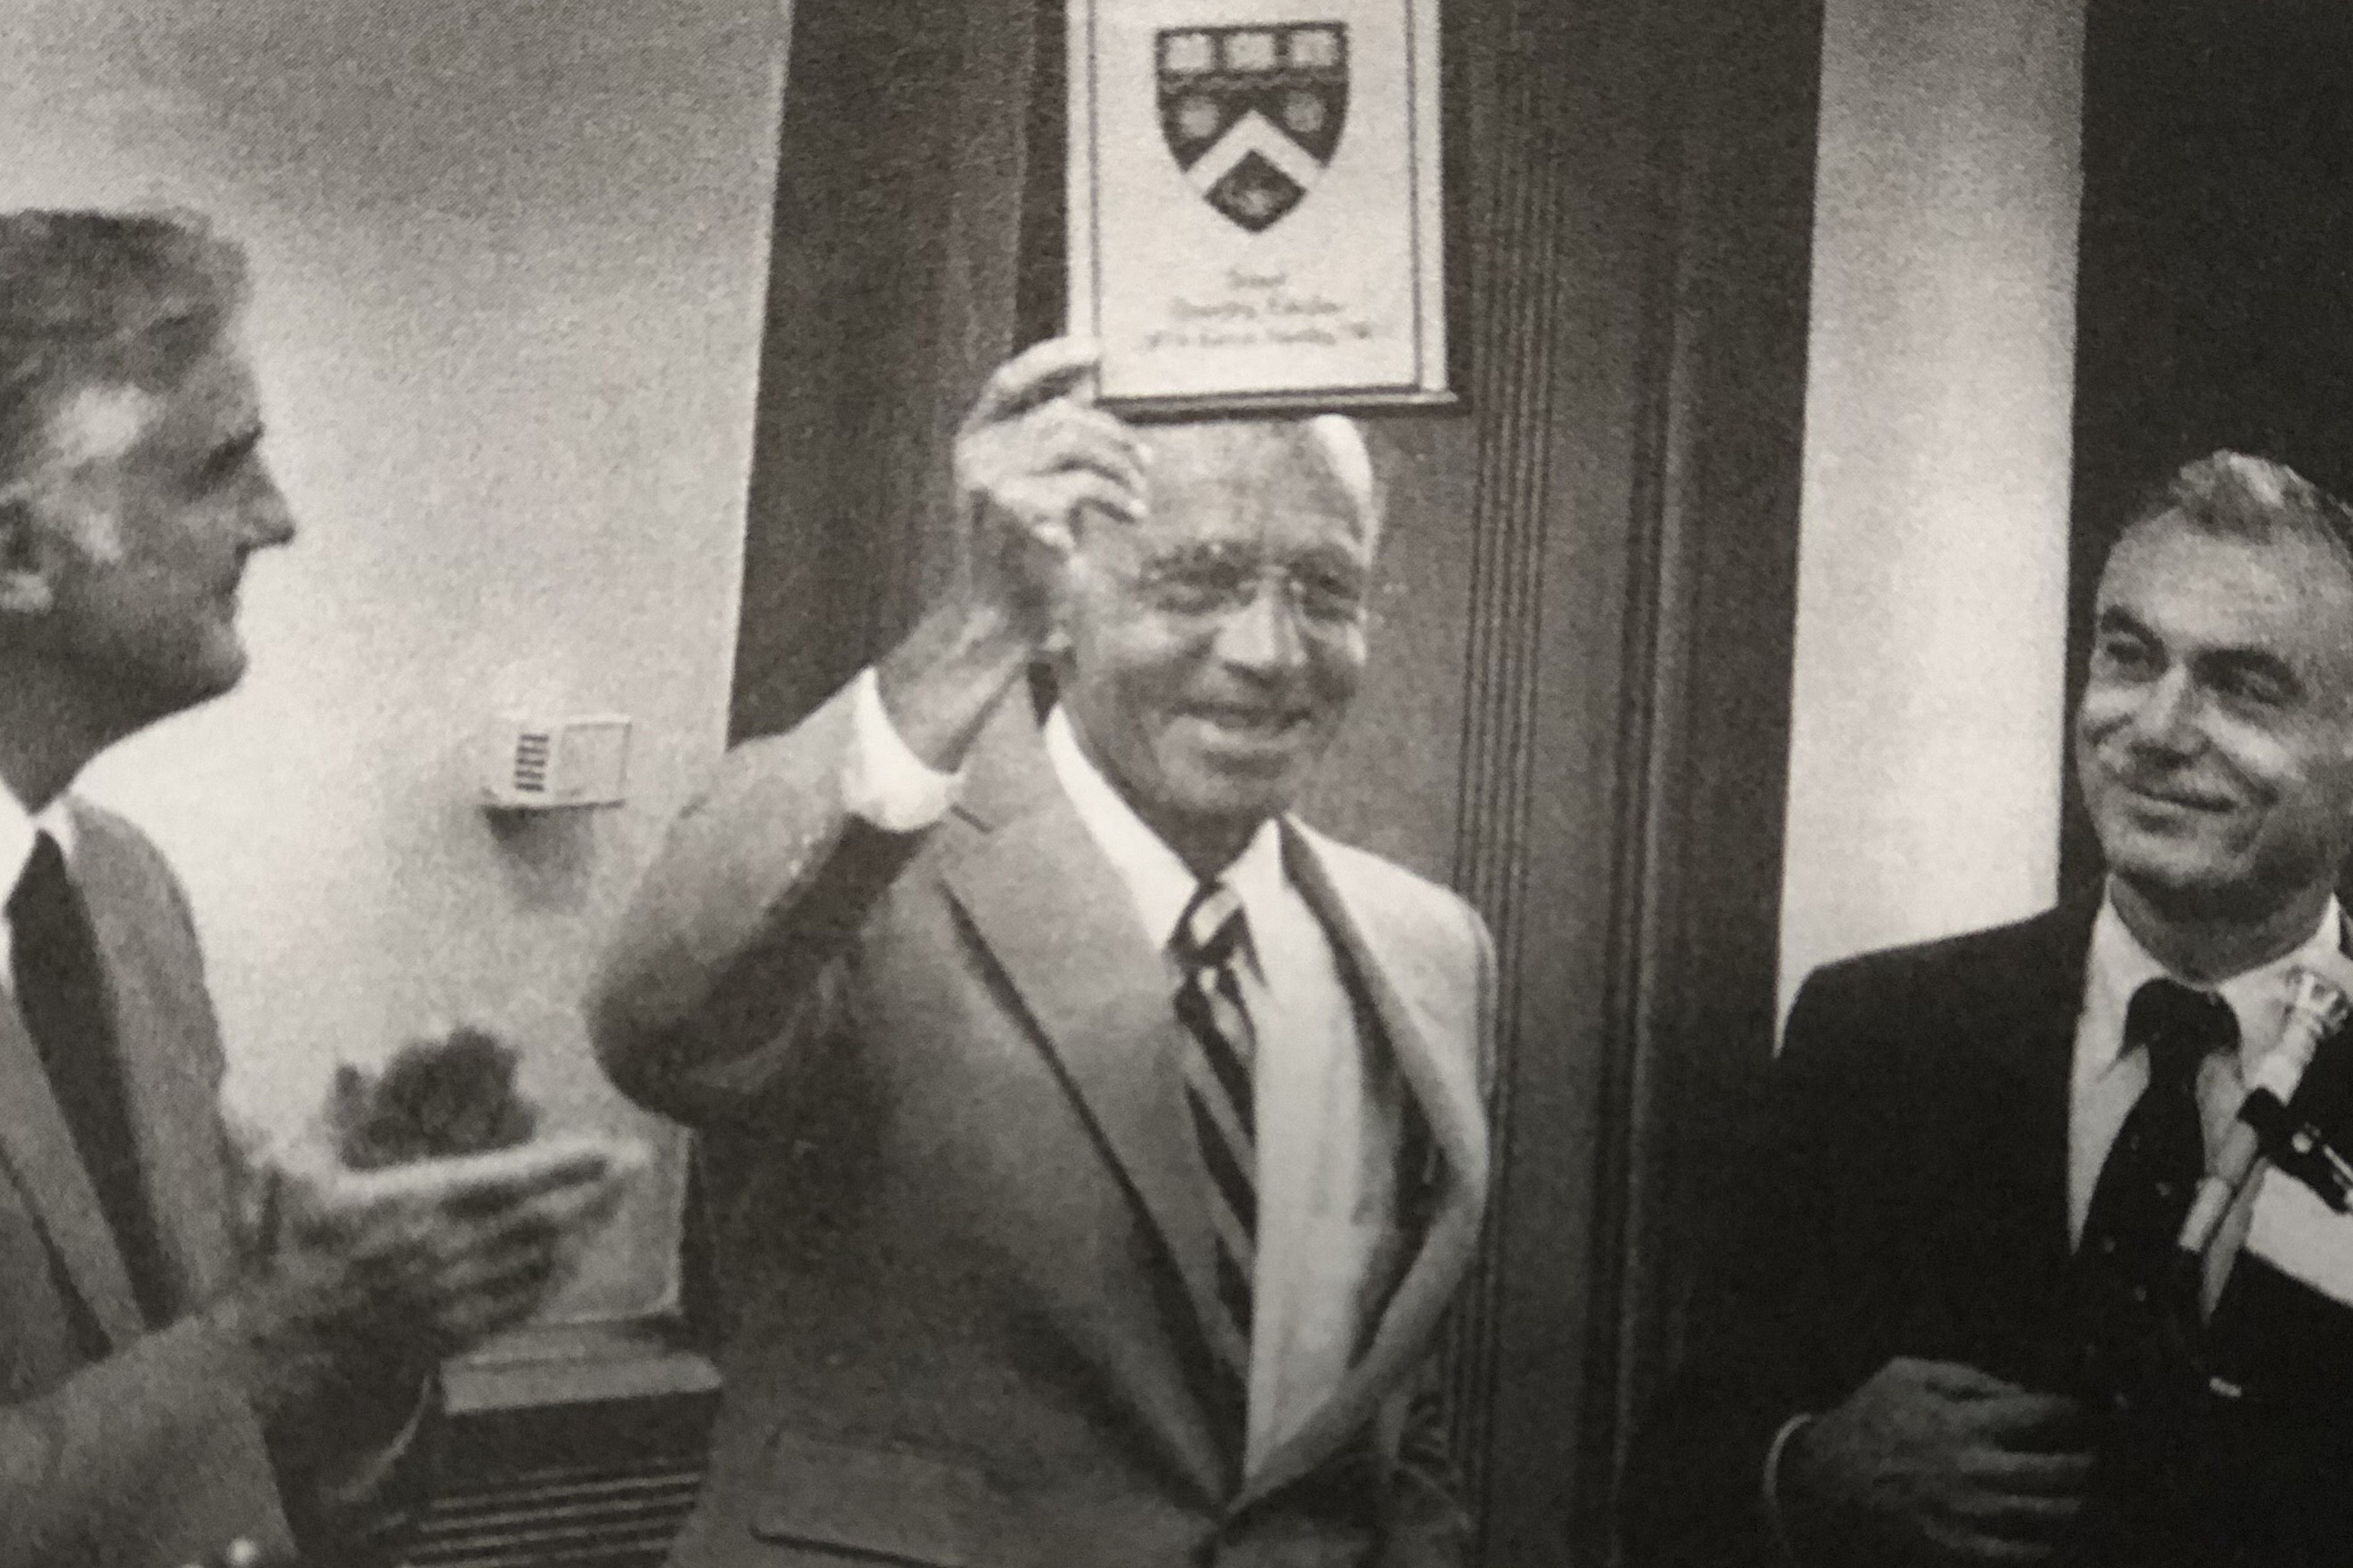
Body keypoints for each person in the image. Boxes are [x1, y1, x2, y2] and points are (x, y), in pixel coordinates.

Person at [591, 338, 1494, 1565]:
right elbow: (662, 1025)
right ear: (1061, 605)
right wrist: (977, 622)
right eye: (1200, 579)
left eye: (1327, 591)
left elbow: (1387, 1415)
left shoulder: (1430, 947)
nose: (1272, 650)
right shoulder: (870, 877)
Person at [0, 209, 617, 1568]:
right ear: (18, 558)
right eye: (220, 466)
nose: (278, 518)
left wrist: (371, 1302)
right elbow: (233, 1368)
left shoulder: (124, 899)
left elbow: (268, 1478)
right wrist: (281, 1330)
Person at [1623, 450, 2353, 1567]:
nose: (2154, 728)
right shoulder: (1873, 1035)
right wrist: (1805, 1470)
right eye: (2127, 655)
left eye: (2242, 686)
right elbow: (1673, 1479)